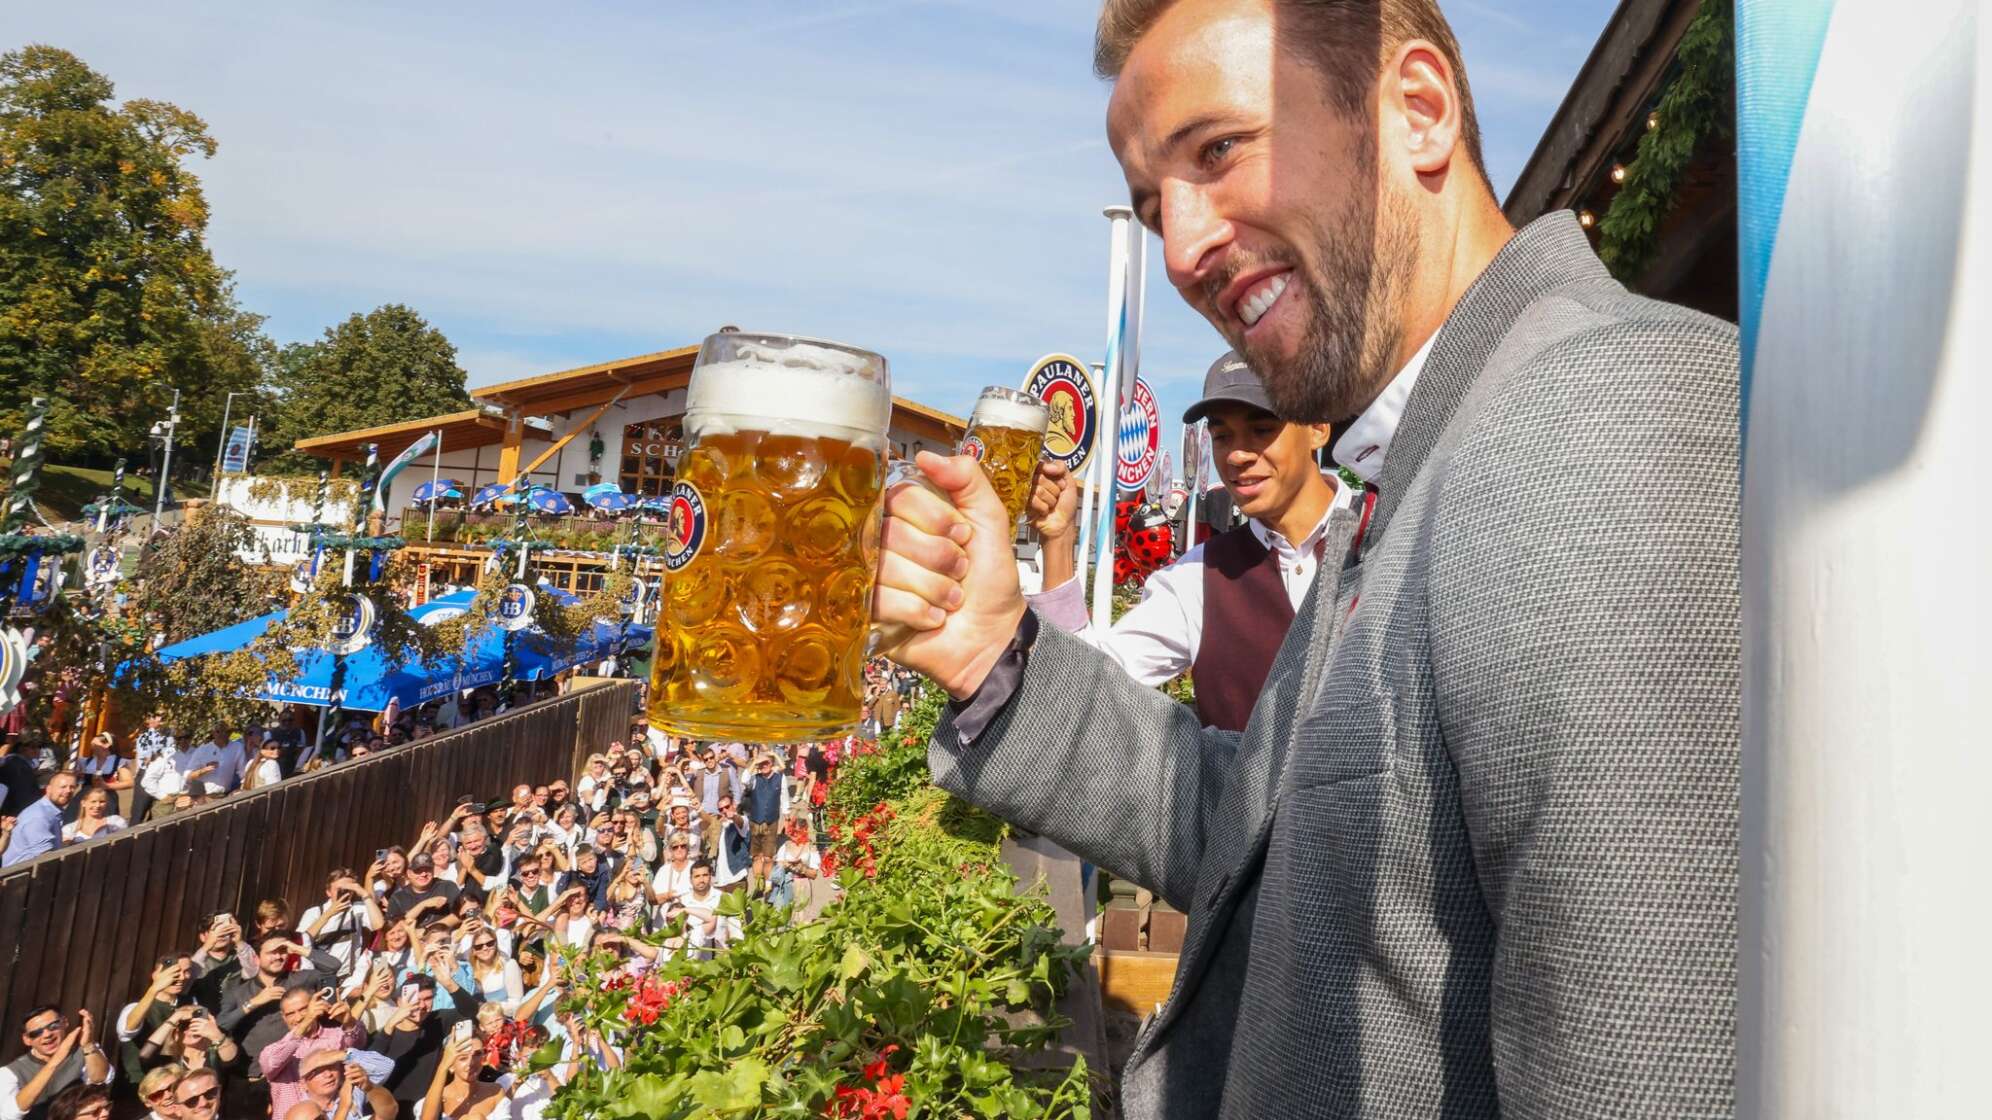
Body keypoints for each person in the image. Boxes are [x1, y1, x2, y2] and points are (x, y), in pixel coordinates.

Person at [869, 1, 1740, 1115]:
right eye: (1152, 206)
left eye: (1218, 150)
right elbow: (1255, 830)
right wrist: (997, 653)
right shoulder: (1431, 449)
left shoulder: (1594, 412)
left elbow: (1647, 1066)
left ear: (1418, 112)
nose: (1180, 249)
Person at [1029, 352, 1346, 730]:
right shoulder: (1200, 575)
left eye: (1262, 429)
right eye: (1222, 436)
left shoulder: (1392, 526)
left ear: (1317, 428)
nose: (1238, 455)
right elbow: (1083, 692)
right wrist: (1059, 542)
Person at [1, 1007, 110, 1120]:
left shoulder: (87, 1051)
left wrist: (88, 1044)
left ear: (65, 1023)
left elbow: (102, 1080)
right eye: (36, 1033)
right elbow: (10, 1114)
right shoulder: (9, 1072)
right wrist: (55, 1061)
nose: (47, 1034)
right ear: (27, 1039)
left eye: (53, 1026)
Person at [2, 771, 78, 867]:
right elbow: (46, 858)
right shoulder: (39, 816)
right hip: (20, 877)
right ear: (48, 789)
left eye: (72, 787)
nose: (68, 791)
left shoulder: (51, 811)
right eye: (63, 787)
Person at [741, 754, 785, 895]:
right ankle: (758, 883)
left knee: (768, 856)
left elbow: (784, 796)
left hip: (771, 821)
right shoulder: (754, 779)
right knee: (756, 855)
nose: (764, 765)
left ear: (771, 764)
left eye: (766, 763)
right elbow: (744, 780)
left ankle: (768, 884)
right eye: (762, 764)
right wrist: (755, 762)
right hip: (755, 821)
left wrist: (787, 811)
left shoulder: (779, 777)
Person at [127, 715, 177, 824]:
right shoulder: (144, 737)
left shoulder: (171, 736)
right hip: (147, 773)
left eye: (162, 718)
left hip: (166, 775)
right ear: (148, 721)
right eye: (155, 718)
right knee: (138, 814)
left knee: (159, 813)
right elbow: (148, 758)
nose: (159, 720)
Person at [59, 786, 125, 846]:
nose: (97, 805)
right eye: (93, 801)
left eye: (102, 802)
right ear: (83, 803)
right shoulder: (70, 828)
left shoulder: (115, 822)